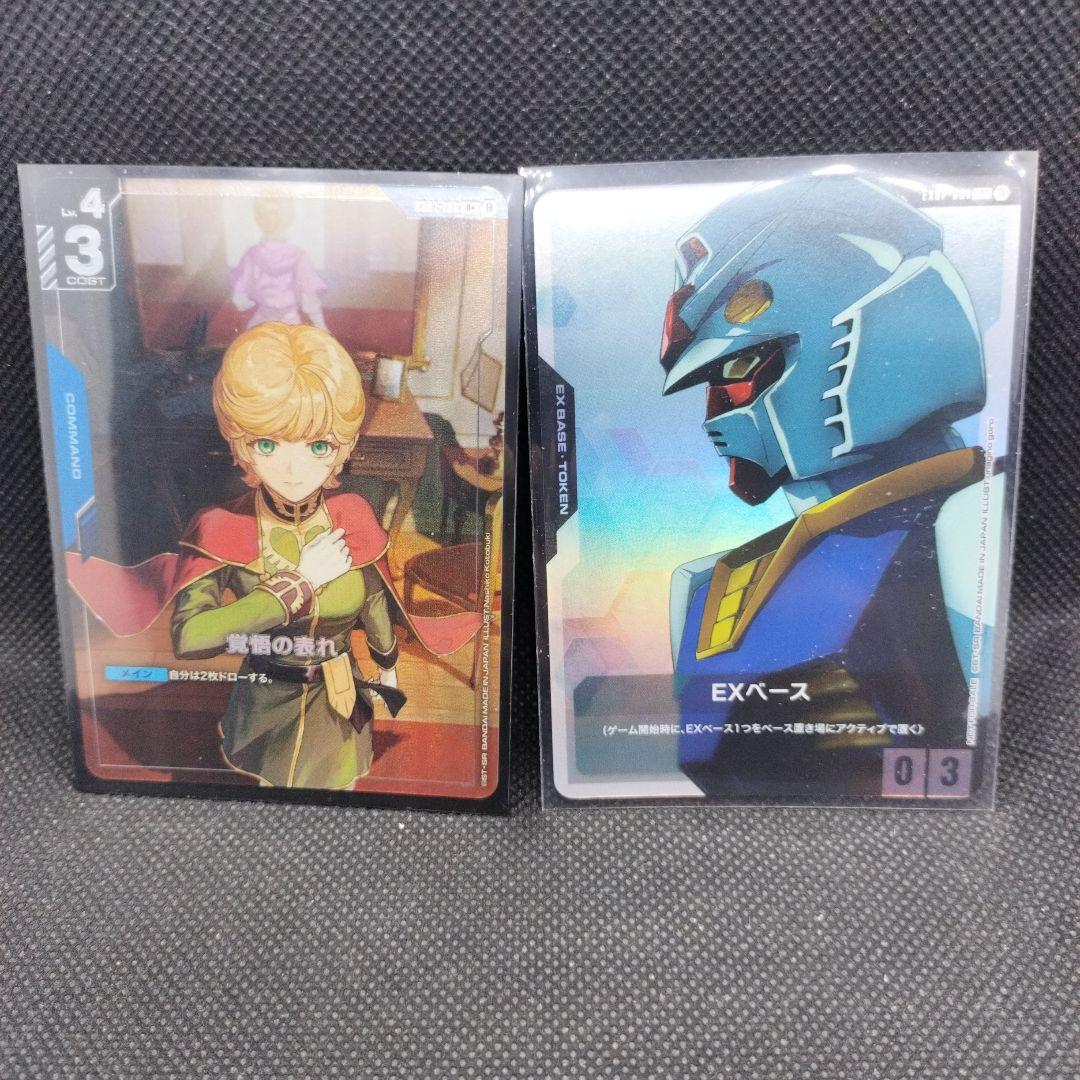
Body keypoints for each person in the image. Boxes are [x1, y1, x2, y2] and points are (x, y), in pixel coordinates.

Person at [67, 323, 480, 789]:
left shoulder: (353, 514)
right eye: (267, 444)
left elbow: (373, 600)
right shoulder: (221, 526)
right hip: (264, 703)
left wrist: (387, 665)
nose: (293, 467)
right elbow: (190, 637)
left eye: (318, 446)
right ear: (240, 445)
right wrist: (296, 585)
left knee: (340, 792)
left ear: (342, 450)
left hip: (339, 700)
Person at [229, 195, 329, 331]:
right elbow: (309, 295)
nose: (270, 219)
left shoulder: (253, 254)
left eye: (272, 214)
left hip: (263, 321)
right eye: (265, 214)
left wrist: (243, 300)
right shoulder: (298, 255)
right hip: (288, 322)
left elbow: (240, 295)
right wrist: (321, 325)